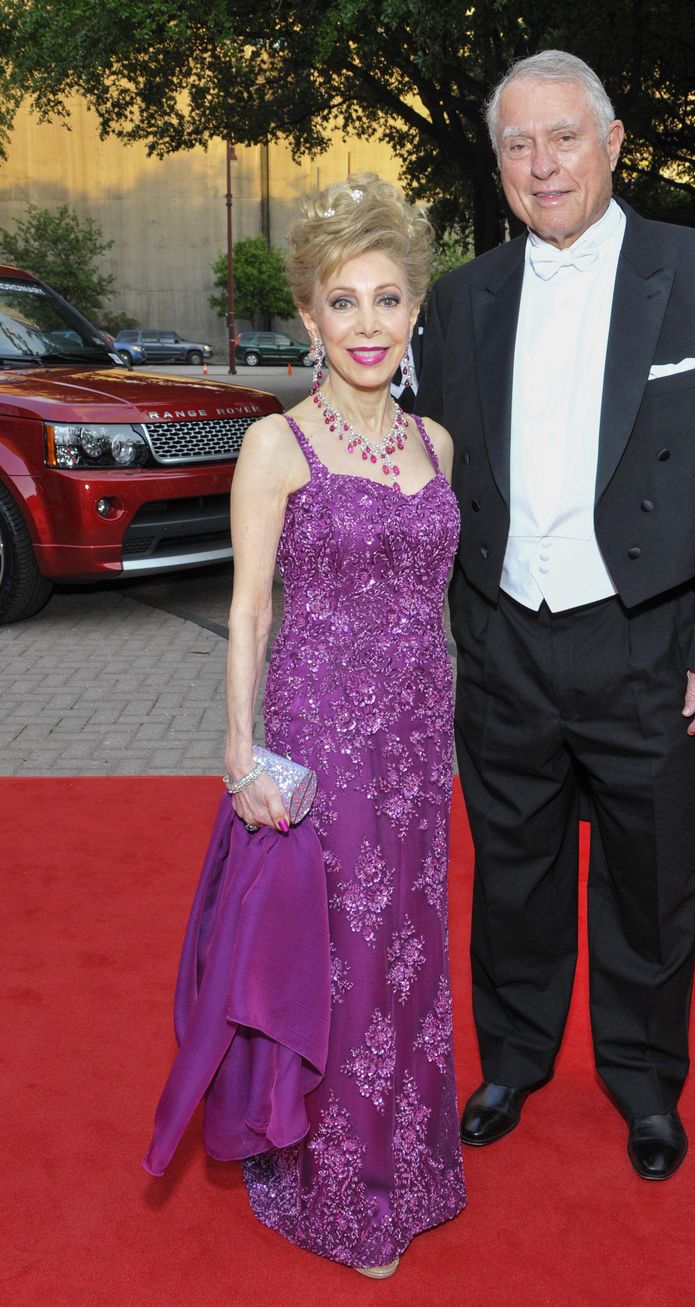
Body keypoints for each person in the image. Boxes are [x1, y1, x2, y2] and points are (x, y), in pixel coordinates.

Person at [416, 52, 695, 1181]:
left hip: (649, 641)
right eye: (517, 145)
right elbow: (423, 463)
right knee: (512, 869)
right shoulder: (458, 296)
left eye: (561, 137)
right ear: (499, 164)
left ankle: (643, 1081)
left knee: (650, 873)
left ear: (612, 142)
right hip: (505, 634)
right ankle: (512, 1057)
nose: (541, 163)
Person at [146, 174, 465, 1276]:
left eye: (386, 299)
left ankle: (414, 1162)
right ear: (309, 317)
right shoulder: (276, 445)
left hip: (423, 748)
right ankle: (346, 1188)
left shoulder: (438, 444)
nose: (366, 324)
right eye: (343, 301)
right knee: (339, 965)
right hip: (322, 745)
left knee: (412, 960)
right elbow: (247, 608)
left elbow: (433, 602)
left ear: (413, 310)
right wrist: (239, 753)